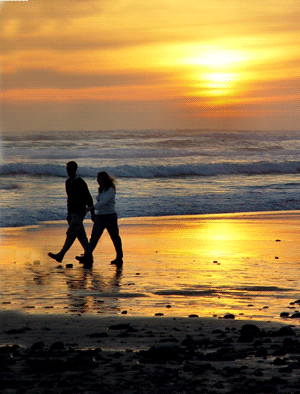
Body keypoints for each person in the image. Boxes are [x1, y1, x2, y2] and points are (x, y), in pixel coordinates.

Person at [48, 161, 95, 263]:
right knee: (81, 236)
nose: (68, 171)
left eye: (70, 169)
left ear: (75, 169)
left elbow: (88, 198)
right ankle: (89, 256)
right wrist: (68, 214)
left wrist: (92, 213)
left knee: (71, 234)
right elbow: (70, 198)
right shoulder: (68, 182)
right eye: (67, 169)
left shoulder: (81, 182)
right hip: (71, 213)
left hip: (79, 212)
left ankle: (61, 255)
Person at [76, 171, 123, 268]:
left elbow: (103, 202)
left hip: (110, 216)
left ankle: (119, 258)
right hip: (100, 216)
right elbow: (100, 201)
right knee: (94, 238)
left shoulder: (110, 190)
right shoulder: (101, 189)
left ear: (104, 179)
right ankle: (87, 256)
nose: (97, 180)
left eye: (99, 178)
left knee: (115, 238)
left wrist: (91, 208)